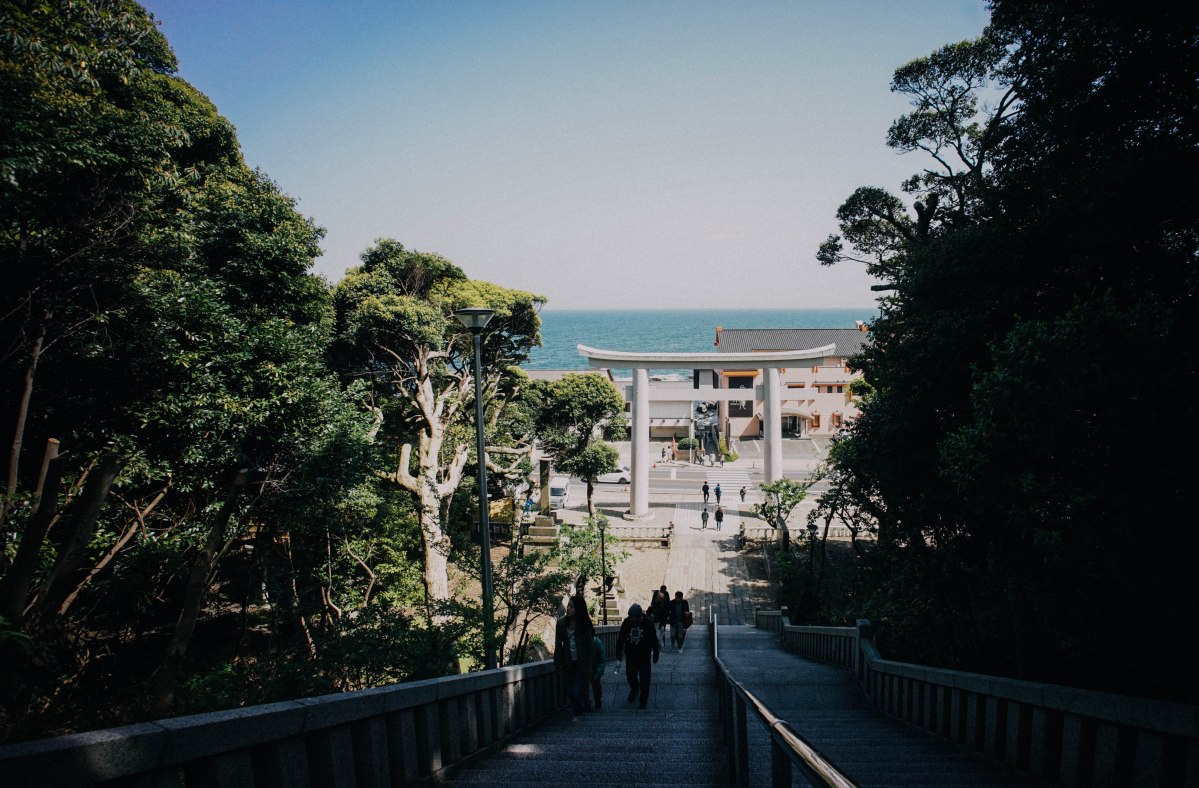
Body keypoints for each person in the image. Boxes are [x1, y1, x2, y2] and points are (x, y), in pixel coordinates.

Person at [554, 594, 594, 717]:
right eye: (568, 606)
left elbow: (589, 647)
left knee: (576, 690)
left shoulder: (585, 625)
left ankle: (579, 712)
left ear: (578, 608)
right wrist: (557, 664)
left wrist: (590, 666)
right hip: (568, 662)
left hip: (581, 662)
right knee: (570, 690)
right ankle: (582, 706)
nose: (568, 608)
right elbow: (558, 645)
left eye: (571, 606)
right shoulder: (561, 624)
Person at [615, 603, 660, 709]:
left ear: (639, 616)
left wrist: (656, 653)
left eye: (634, 618)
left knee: (645, 679)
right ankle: (635, 688)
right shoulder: (627, 622)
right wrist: (618, 651)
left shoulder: (648, 623)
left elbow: (654, 640)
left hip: (644, 656)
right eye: (630, 617)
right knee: (630, 677)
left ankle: (643, 700)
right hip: (631, 655)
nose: (632, 620)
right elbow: (621, 638)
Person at [588, 632, 606, 710]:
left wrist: (598, 673)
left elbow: (602, 660)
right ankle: (588, 704)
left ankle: (598, 702)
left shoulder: (598, 643)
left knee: (596, 686)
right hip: (587, 668)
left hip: (595, 669)